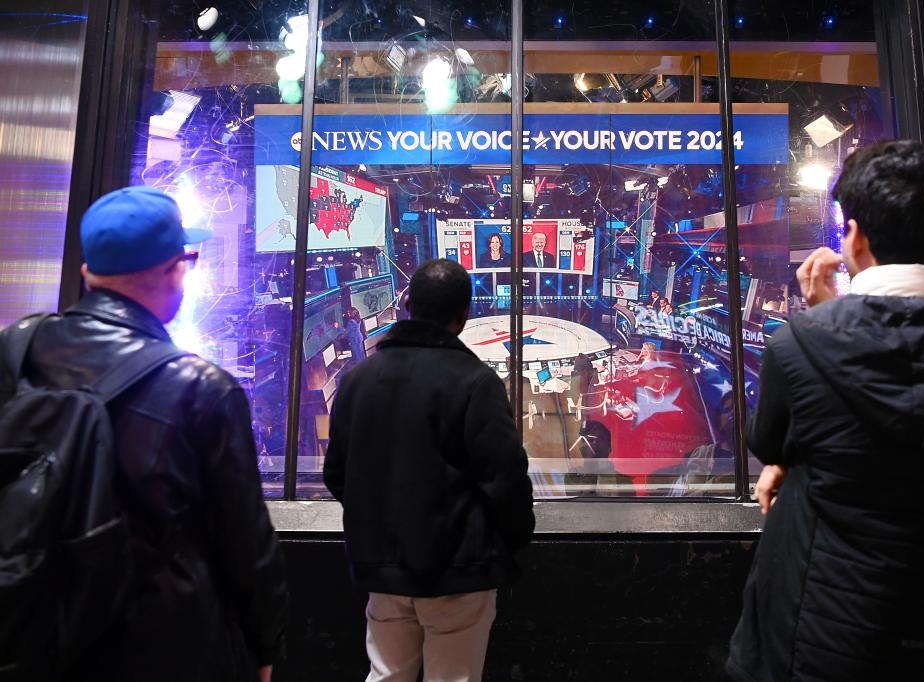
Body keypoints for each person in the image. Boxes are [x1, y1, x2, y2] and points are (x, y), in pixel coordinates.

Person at [727, 141, 924, 681]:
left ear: (856, 237)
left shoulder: (799, 345)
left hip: (822, 641)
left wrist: (823, 319)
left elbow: (770, 441)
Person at [0, 186, 288, 681]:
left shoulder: (14, 350)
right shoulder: (202, 389)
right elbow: (247, 548)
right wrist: (264, 648)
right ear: (175, 270)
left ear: (88, 271)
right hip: (163, 646)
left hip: (32, 632)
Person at [324, 259, 535, 682]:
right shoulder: (476, 382)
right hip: (459, 571)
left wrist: (379, 526)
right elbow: (505, 479)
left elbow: (337, 475)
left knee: (385, 676)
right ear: (464, 314)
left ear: (408, 305)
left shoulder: (357, 380)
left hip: (384, 570)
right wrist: (509, 544)